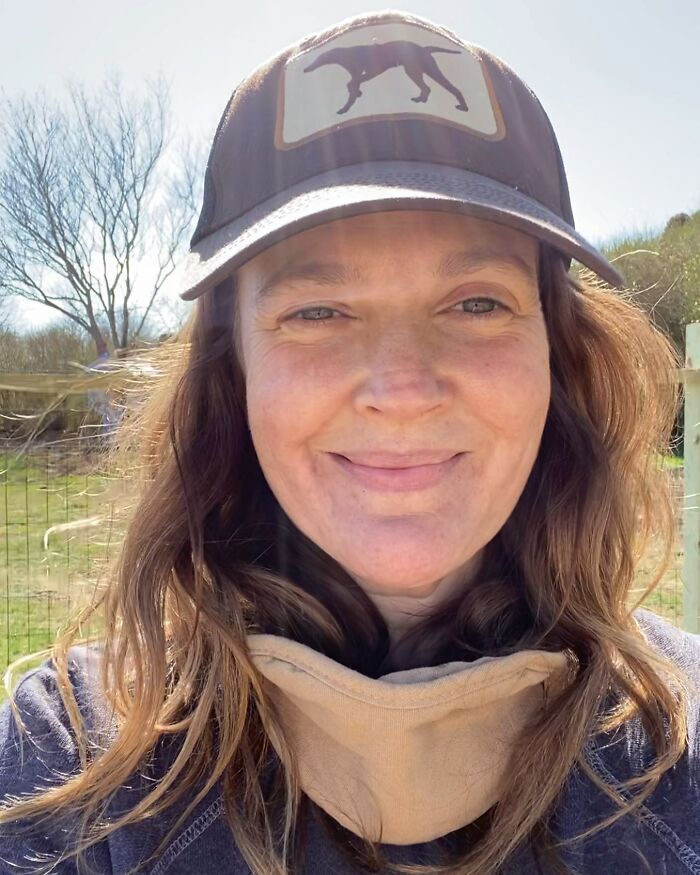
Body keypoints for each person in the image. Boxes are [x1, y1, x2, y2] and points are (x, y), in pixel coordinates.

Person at [0, 9, 698, 875]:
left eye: (477, 302)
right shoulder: (69, 764)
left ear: (557, 355)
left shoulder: (686, 745)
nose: (401, 389)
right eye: (317, 311)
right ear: (234, 374)